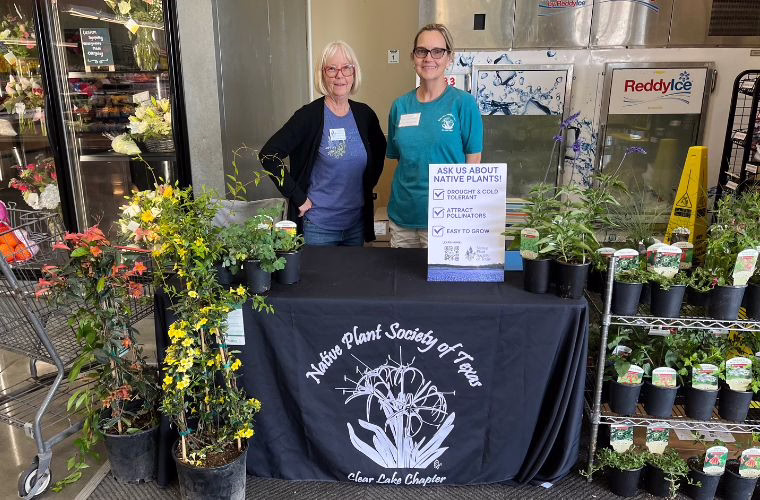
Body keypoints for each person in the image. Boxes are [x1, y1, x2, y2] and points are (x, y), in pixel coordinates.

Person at [259, 41, 386, 246]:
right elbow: (268, 155)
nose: (340, 75)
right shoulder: (308, 117)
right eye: (332, 69)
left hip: (356, 225)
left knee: (354, 278)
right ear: (322, 74)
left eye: (346, 68)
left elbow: (380, 150)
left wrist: (368, 183)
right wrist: (297, 195)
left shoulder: (365, 115)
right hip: (318, 228)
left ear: (354, 73)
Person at [386, 24, 483, 248]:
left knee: (440, 283)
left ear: (449, 58)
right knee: (401, 282)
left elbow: (474, 162)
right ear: (413, 57)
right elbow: (402, 159)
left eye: (437, 51)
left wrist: (462, 214)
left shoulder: (463, 104)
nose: (429, 58)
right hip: (403, 216)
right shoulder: (400, 106)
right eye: (422, 51)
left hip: (445, 218)